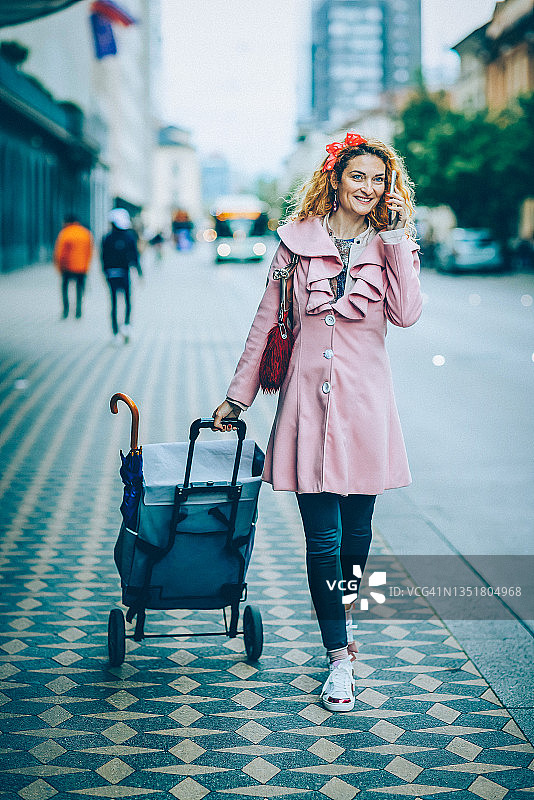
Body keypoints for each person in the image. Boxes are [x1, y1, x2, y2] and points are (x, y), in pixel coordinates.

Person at [212, 132, 422, 712]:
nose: (369, 188)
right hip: (307, 406)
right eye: (358, 177)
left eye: (378, 180)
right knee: (322, 540)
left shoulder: (391, 245)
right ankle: (338, 657)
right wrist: (237, 398)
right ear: (335, 178)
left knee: (357, 537)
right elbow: (265, 324)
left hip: (366, 409)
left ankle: (345, 615)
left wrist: (397, 239)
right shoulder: (295, 245)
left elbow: (407, 314)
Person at [101, 208, 142, 345]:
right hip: (124, 273)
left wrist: (105, 273)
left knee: (113, 303)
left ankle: (115, 333)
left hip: (111, 274)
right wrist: (140, 273)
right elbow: (135, 256)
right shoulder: (129, 237)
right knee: (127, 301)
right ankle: (126, 326)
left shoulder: (107, 238)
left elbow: (103, 258)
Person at [53, 214, 93, 319]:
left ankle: (66, 310)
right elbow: (89, 252)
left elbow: (60, 253)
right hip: (82, 268)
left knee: (65, 288)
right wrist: (86, 266)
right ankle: (78, 310)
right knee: (79, 288)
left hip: (67, 267)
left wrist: (59, 267)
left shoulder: (65, 233)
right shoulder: (85, 233)